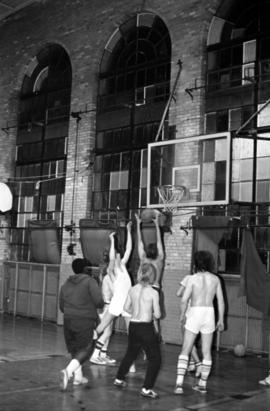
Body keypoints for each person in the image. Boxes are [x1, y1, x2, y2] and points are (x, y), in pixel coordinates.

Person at [174, 250, 225, 395]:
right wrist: (221, 319)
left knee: (186, 349)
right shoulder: (215, 279)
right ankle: (202, 385)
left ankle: (179, 385)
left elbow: (184, 299)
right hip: (209, 313)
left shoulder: (192, 278)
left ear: (196, 264)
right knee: (207, 352)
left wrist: (182, 314)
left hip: (195, 311)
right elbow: (220, 301)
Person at [114, 260, 161, 399]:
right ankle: (146, 389)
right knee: (155, 359)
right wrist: (151, 312)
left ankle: (119, 379)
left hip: (133, 326)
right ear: (153, 276)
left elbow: (126, 308)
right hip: (145, 327)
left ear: (140, 273)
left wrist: (137, 309)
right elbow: (158, 315)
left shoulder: (133, 289)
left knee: (131, 354)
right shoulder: (153, 292)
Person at [59, 258, 104, 390]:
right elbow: (98, 302)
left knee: (75, 349)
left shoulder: (66, 283)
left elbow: (61, 307)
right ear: (85, 269)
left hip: (68, 319)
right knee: (87, 348)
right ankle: (67, 372)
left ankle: (78, 378)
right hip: (84, 320)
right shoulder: (90, 281)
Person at [90, 241, 116, 365]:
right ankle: (95, 354)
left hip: (105, 305)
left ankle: (103, 354)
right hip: (107, 306)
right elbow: (114, 292)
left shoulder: (103, 276)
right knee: (107, 332)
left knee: (108, 332)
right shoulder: (108, 278)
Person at [176, 275, 201, 377]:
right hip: (202, 313)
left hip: (189, 312)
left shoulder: (188, 278)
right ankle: (191, 363)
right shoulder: (208, 279)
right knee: (192, 340)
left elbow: (178, 293)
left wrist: (187, 292)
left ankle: (198, 363)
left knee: (187, 341)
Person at [135, 211, 164, 289]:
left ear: (147, 251)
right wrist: (156, 224)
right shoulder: (159, 259)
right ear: (157, 251)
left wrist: (138, 224)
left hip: (142, 286)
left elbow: (140, 241)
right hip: (154, 287)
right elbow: (159, 240)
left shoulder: (143, 259)